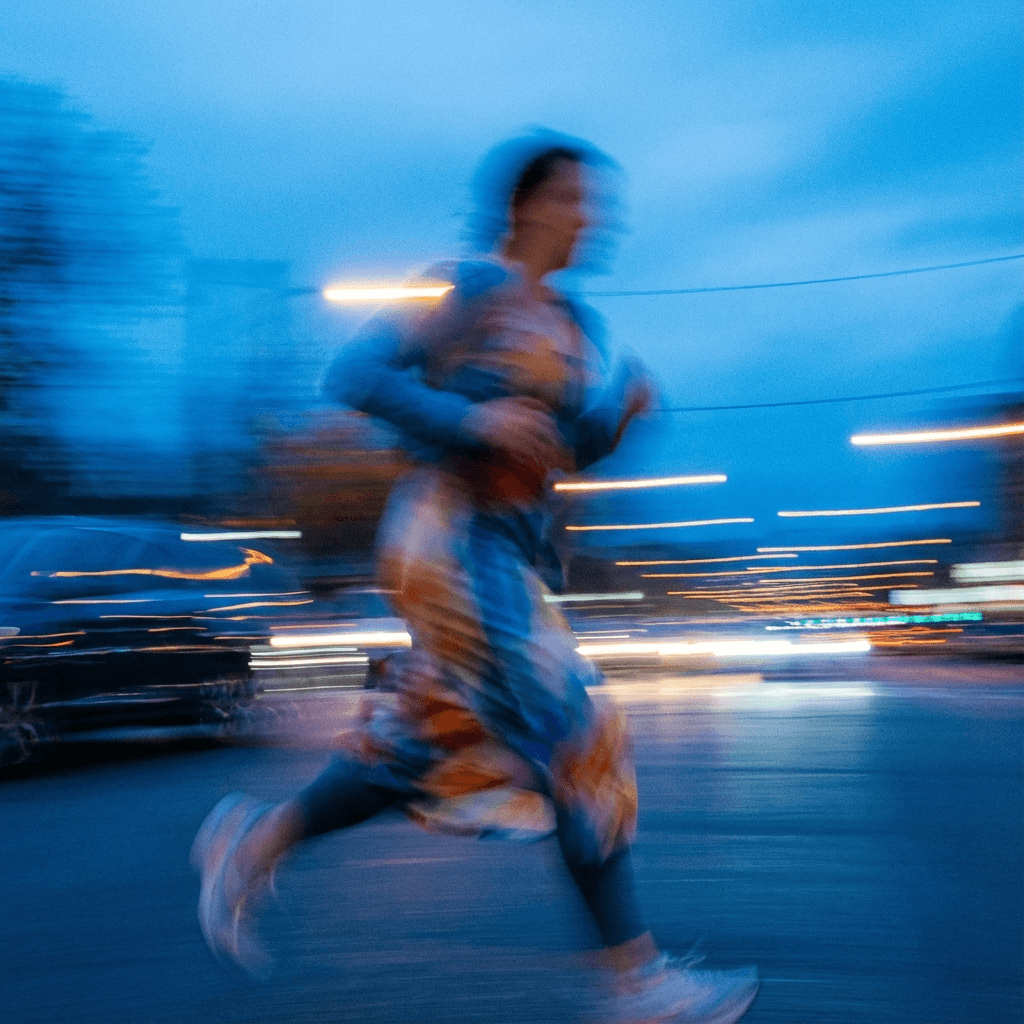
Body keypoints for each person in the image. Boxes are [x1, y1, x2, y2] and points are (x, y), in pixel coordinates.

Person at [192, 132, 759, 1024]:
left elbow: (564, 448)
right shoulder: (468, 289)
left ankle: (257, 840)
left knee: (423, 745)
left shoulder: (576, 327)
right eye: (576, 196)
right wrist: (471, 419)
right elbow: (355, 374)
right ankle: (633, 981)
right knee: (581, 731)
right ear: (528, 205)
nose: (593, 216)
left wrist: (619, 411)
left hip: (510, 552)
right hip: (448, 541)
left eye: (596, 201)